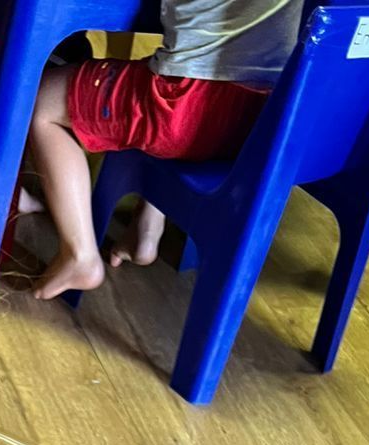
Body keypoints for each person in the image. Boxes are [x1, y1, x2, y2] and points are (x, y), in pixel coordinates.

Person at [28, 0, 304, 299]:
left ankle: (79, 253)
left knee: (42, 102)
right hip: (261, 119)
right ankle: (146, 228)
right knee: (157, 70)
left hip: (184, 108)